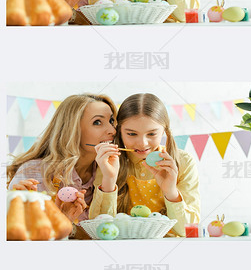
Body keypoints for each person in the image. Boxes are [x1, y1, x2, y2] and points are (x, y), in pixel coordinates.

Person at [89, 93, 200, 237]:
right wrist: (109, 180)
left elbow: (188, 231)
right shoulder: (108, 161)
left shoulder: (184, 162)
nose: (142, 143)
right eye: (131, 134)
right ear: (119, 130)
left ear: (164, 130)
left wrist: (171, 192)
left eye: (152, 134)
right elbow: (99, 231)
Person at [7, 93, 120, 232]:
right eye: (97, 122)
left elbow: (106, 231)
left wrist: (109, 179)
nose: (113, 130)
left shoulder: (109, 169)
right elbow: (19, 233)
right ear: (72, 129)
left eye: (112, 121)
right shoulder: (34, 172)